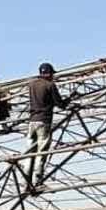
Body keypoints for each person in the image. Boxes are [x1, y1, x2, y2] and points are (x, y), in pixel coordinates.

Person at [25, 62, 68, 193]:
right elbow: (60, 104)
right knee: (41, 153)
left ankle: (26, 183)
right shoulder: (50, 85)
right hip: (43, 121)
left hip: (32, 122)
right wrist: (68, 101)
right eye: (52, 74)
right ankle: (38, 182)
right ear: (49, 74)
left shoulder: (31, 84)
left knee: (29, 153)